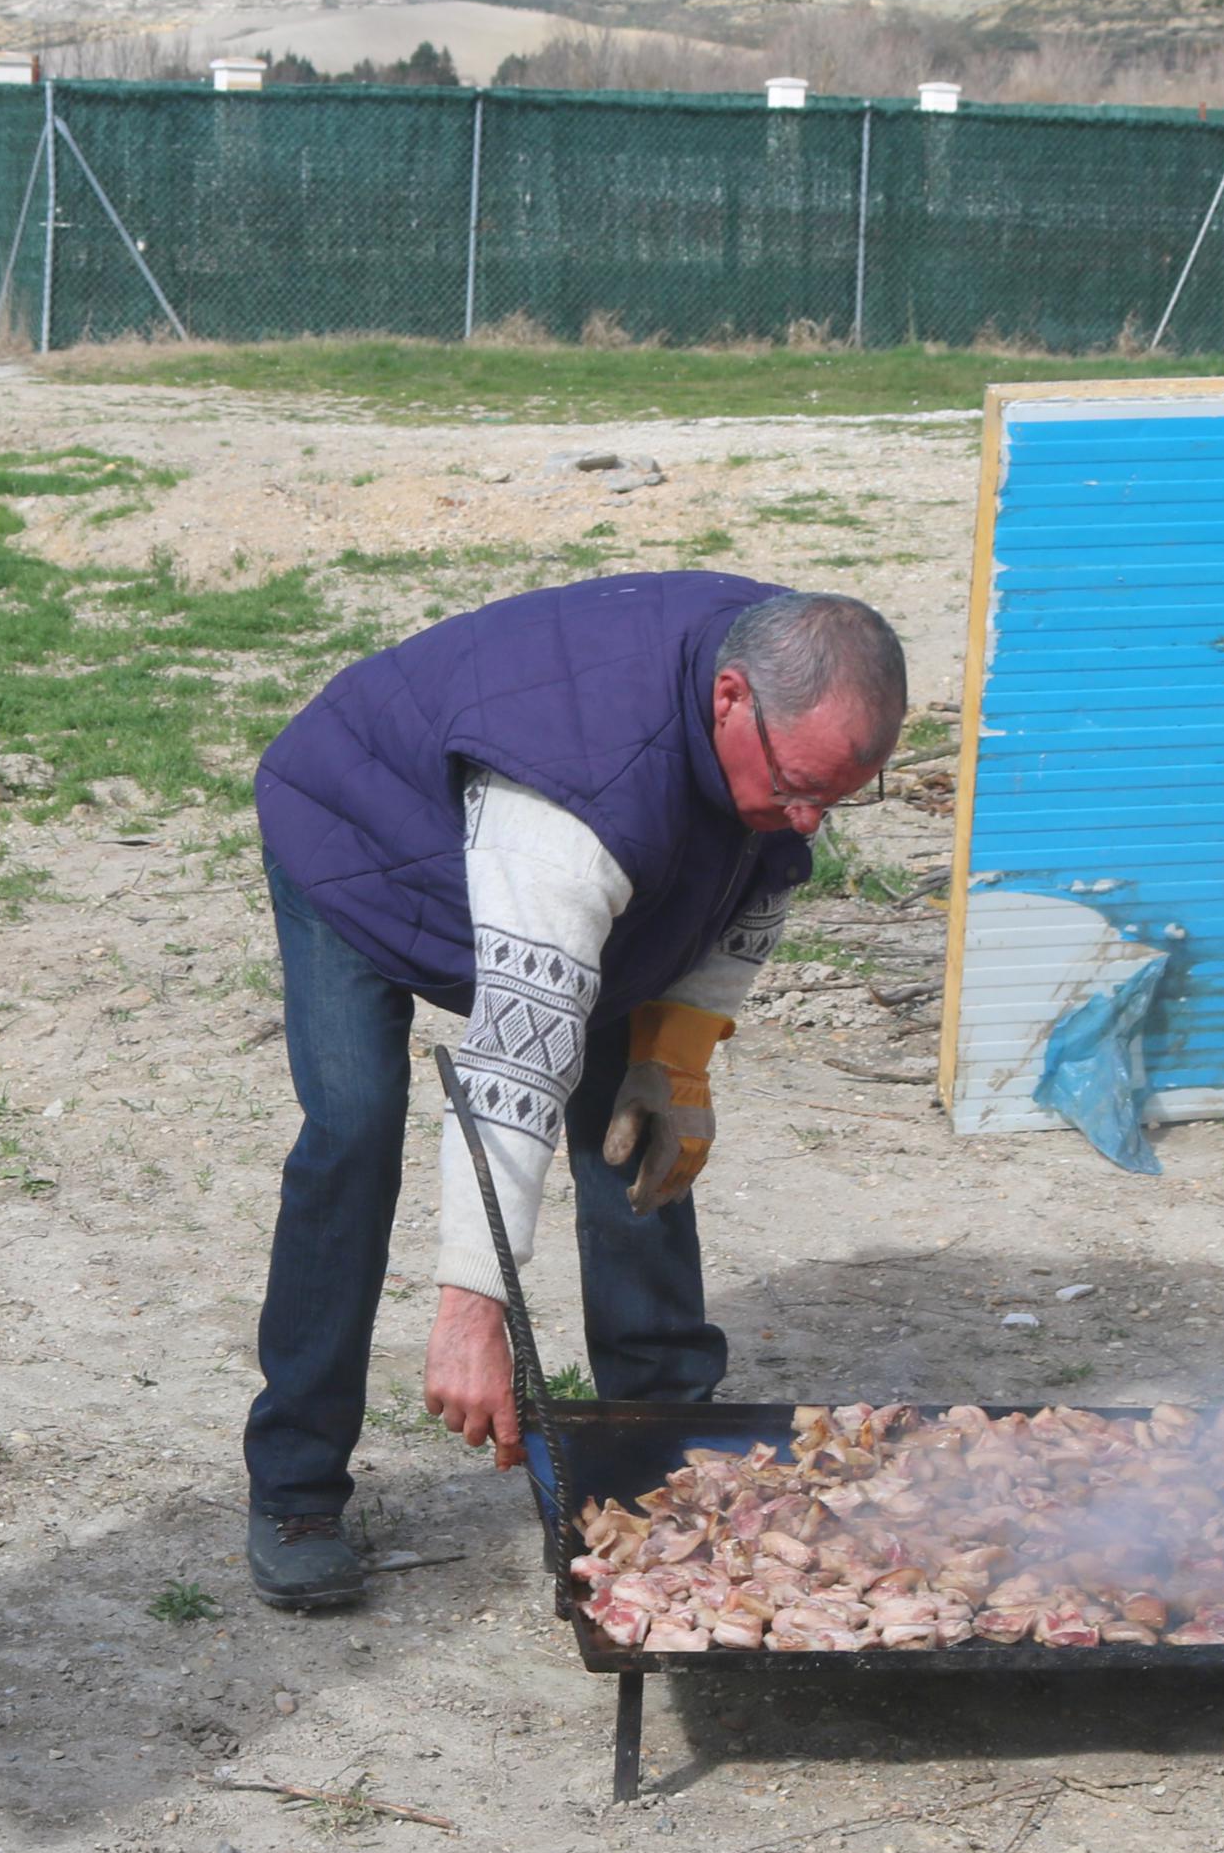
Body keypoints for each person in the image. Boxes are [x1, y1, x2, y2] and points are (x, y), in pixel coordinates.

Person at [239, 575, 906, 1611]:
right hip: (359, 837)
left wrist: (675, 1050)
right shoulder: (576, 797)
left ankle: (663, 1444)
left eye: (835, 794)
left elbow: (757, 885)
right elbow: (513, 1063)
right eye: (797, 785)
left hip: (573, 847)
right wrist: (474, 1310)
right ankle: (294, 1486)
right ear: (728, 698)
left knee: (628, 1129)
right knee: (354, 1130)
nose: (808, 819)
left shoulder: (791, 705)